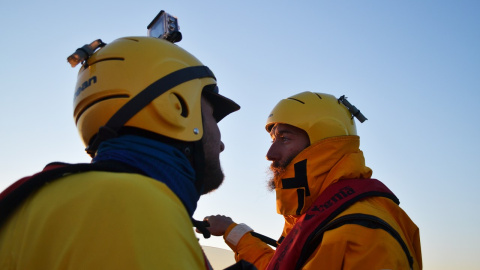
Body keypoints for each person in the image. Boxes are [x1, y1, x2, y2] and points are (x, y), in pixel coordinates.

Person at [0, 36, 240, 269]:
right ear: (176, 107)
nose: (221, 144)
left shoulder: (36, 199)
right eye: (212, 118)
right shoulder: (137, 210)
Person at [203, 91, 422, 270]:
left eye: (285, 138)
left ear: (324, 145)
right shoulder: (320, 216)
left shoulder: (360, 232)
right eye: (272, 139)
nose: (270, 153)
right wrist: (232, 231)